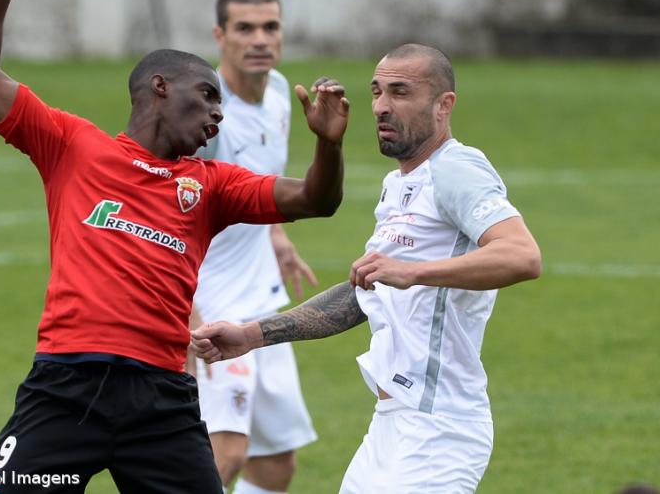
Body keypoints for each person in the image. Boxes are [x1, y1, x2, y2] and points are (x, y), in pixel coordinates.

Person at [0, 0, 350, 493]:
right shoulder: (73, 146)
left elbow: (316, 201)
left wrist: (330, 146)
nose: (218, 113)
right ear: (159, 87)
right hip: (66, 387)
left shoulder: (212, 186)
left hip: (162, 401)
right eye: (207, 95)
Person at [192, 44, 542, 493]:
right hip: (390, 424)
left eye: (400, 92)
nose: (381, 106)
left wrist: (414, 271)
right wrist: (251, 336)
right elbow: (362, 293)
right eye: (377, 92)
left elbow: (522, 255)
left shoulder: (457, 168)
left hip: (439, 430)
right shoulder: (397, 185)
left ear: (443, 105)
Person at [190, 0, 318, 494]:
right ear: (220, 36)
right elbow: (158, 210)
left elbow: (258, 182)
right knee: (226, 456)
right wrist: (185, 315)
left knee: (275, 466)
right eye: (245, 28)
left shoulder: (282, 92)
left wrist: (275, 235)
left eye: (270, 26)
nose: (260, 39)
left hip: (266, 308)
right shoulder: (204, 116)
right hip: (214, 308)